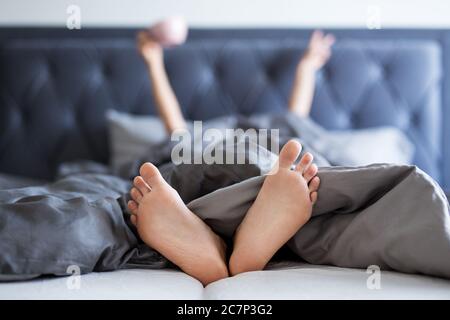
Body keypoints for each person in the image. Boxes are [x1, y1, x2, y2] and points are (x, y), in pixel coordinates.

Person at [124, 30, 335, 285]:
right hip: (266, 166)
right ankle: (247, 240)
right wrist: (307, 66)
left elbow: (175, 128)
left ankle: (210, 243)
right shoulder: (276, 130)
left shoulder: (202, 136)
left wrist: (153, 61)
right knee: (296, 159)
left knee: (183, 153)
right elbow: (296, 117)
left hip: (199, 170)